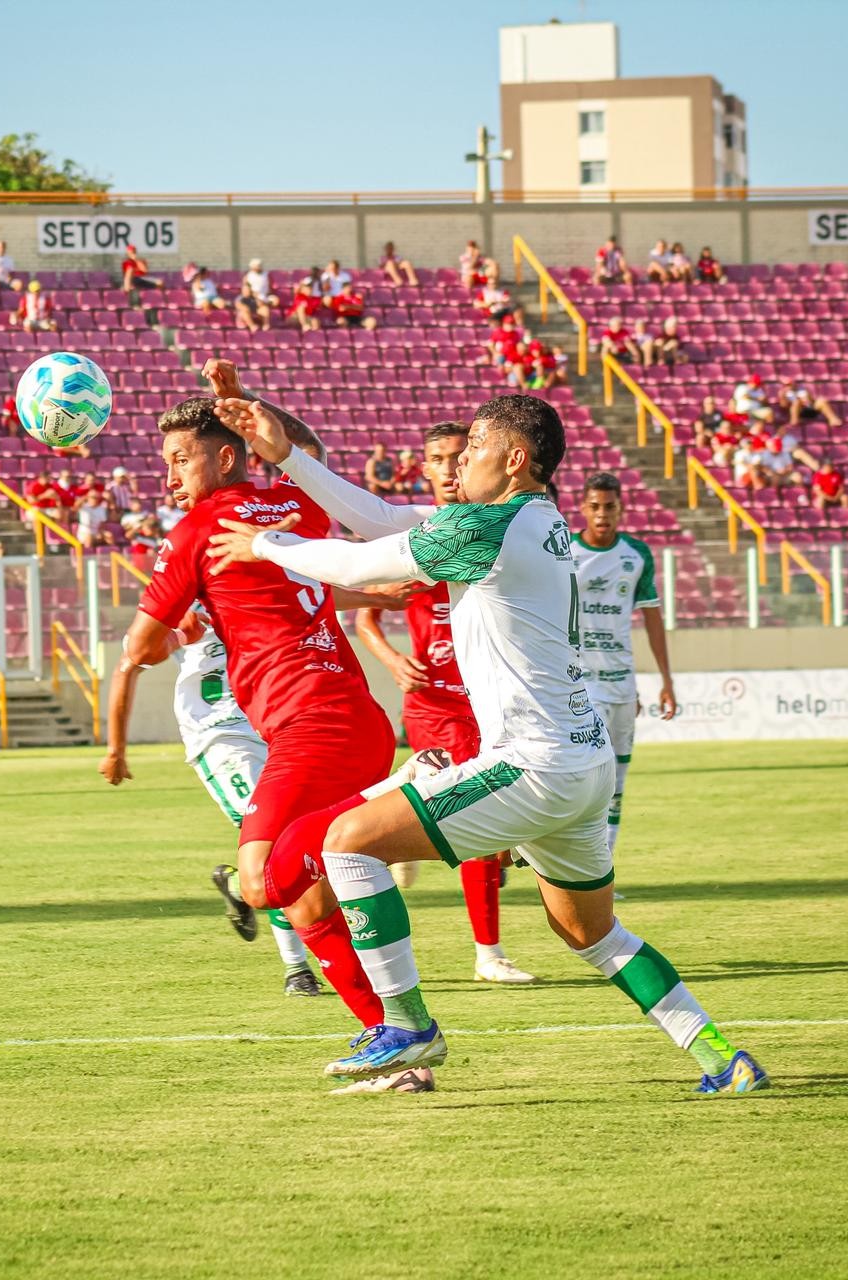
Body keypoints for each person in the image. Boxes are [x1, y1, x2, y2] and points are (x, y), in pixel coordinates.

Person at [206, 393, 768, 1094]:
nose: (460, 460)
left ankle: (409, 1025)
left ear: (513, 459)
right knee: (593, 935)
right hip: (583, 761)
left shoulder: (490, 527)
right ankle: (722, 1058)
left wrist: (263, 544)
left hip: (534, 763)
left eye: (473, 447)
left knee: (345, 842)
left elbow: (362, 566)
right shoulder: (533, 520)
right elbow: (379, 518)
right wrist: (285, 454)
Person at [99, 373, 414, 1080]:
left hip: (313, 728)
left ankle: (407, 1019)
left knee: (261, 878)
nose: (171, 474)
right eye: (168, 461)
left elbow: (140, 649)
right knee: (303, 889)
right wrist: (252, 405)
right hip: (356, 721)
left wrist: (172, 624)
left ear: (227, 457)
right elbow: (305, 450)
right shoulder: (300, 501)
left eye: (182, 458)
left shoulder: (198, 531)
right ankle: (395, 1040)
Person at [356, 422, 538, 988]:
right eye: (436, 458)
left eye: (458, 455)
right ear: (427, 468)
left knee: (488, 820)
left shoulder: (494, 530)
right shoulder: (416, 532)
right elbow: (367, 611)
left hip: (490, 702)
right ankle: (489, 954)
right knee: (481, 819)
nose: (448, 466)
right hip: (436, 705)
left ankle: (392, 822)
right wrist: (389, 658)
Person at [171, 616, 323, 997]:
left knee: (310, 840)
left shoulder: (260, 590)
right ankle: (297, 968)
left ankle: (238, 884)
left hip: (278, 727)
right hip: (223, 739)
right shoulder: (183, 597)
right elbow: (139, 650)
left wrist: (373, 595)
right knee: (275, 849)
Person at [571, 473, 677, 855]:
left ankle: (605, 866)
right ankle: (574, 859)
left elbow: (652, 618)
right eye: (595, 507)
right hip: (579, 685)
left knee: (617, 780)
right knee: (591, 775)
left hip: (622, 683)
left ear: (622, 510)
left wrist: (665, 679)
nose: (602, 515)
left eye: (610, 507)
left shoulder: (636, 556)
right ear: (582, 509)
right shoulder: (564, 552)